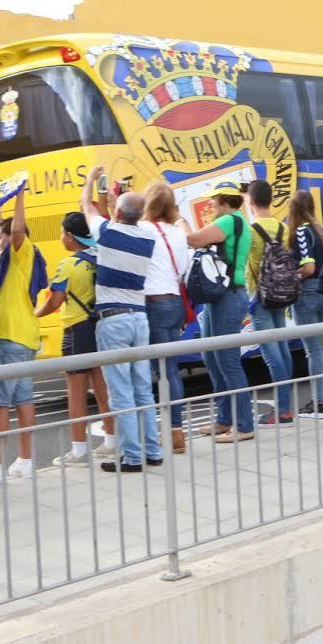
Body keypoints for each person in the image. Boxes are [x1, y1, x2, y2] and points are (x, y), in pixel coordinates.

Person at [81, 167, 164, 472]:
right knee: (143, 387)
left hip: (113, 319)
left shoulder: (107, 232)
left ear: (116, 212)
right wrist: (118, 199)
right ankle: (153, 449)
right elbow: (124, 216)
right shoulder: (146, 237)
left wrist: (90, 181)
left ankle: (132, 457)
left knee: (121, 392)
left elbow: (86, 206)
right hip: (139, 318)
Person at [38, 212, 117, 465]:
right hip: (101, 325)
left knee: (76, 391)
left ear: (70, 237)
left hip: (76, 328)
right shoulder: (103, 257)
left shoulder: (68, 265)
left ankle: (79, 450)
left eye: (62, 232)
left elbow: (56, 301)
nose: (61, 237)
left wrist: (34, 314)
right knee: (102, 385)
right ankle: (112, 442)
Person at [186, 186, 255, 442]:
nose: (210, 205)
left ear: (224, 201)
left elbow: (194, 240)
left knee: (227, 361)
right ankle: (224, 420)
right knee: (212, 358)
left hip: (229, 295)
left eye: (213, 200)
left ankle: (245, 426)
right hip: (221, 295)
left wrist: (182, 226)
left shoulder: (230, 220)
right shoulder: (236, 221)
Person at [0, 187, 42, 481]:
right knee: (23, 400)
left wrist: (20, 197)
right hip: (24, 336)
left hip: (10, 337)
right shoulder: (10, 261)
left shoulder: (20, 252)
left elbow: (16, 230)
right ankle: (26, 459)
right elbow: (7, 228)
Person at [142, 181, 192, 452]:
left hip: (154, 303)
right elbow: (183, 268)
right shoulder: (178, 233)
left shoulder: (143, 229)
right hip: (175, 303)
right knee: (171, 370)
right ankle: (176, 432)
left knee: (161, 372)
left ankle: (170, 434)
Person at [245, 179, 296, 426]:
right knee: (282, 347)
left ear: (251, 202)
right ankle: (287, 406)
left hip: (259, 296)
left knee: (270, 353)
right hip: (281, 293)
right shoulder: (282, 228)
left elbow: (246, 262)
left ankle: (284, 409)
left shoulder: (251, 230)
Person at [288, 191, 323, 417]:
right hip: (322, 293)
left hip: (306, 293)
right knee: (319, 349)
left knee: (313, 350)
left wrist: (291, 275)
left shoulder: (300, 231)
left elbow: (308, 267)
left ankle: (318, 403)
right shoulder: (320, 230)